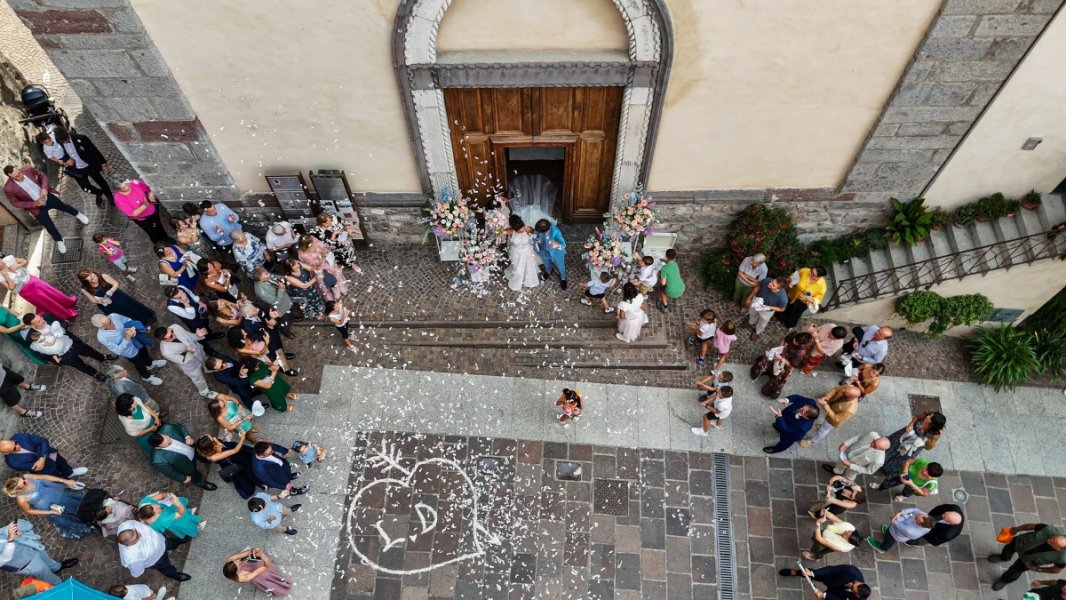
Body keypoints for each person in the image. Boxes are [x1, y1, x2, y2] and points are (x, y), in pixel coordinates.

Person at [2, 165, 90, 254]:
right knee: (49, 226)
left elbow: (42, 176)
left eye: (19, 173)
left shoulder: (28, 169)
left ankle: (78, 214)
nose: (20, 176)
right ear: (10, 177)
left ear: (18, 169)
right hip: (36, 208)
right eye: (16, 176)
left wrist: (44, 188)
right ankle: (59, 241)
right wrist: (33, 204)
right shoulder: (8, 188)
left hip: (47, 198)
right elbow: (15, 203)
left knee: (64, 207)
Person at [24, 313, 114, 382]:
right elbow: (40, 353)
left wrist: (61, 330)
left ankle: (102, 357)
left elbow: (63, 322)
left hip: (72, 342)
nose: (43, 320)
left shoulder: (47, 316)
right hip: (63, 355)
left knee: (89, 351)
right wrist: (56, 359)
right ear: (32, 326)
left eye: (40, 318)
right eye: (39, 321)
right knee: (79, 365)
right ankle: (95, 373)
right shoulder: (31, 337)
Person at [4, 473, 95, 539]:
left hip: (59, 494)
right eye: (23, 483)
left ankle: (92, 512)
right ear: (19, 490)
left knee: (78, 503)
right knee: (72, 513)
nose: (25, 480)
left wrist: (64, 480)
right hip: (52, 506)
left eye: (22, 479)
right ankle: (89, 521)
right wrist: (50, 512)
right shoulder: (21, 499)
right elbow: (29, 511)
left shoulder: (27, 477)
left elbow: (44, 476)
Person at [38, 127, 112, 206]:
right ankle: (99, 192)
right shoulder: (60, 141)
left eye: (66, 140)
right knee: (85, 188)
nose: (65, 142)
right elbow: (62, 153)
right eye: (63, 141)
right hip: (76, 168)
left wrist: (104, 164)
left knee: (101, 182)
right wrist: (67, 160)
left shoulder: (81, 138)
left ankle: (110, 196)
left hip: (89, 166)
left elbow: (94, 151)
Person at [92, 313, 165, 386]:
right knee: (139, 364)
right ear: (101, 327)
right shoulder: (102, 338)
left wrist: (132, 328)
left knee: (144, 352)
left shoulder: (113, 316)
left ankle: (150, 364)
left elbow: (128, 320)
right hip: (130, 352)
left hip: (136, 340)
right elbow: (118, 351)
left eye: (109, 320)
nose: (112, 323)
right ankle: (145, 376)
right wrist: (127, 338)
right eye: (108, 324)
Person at [0, 519, 78, 586]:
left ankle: (57, 567)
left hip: (27, 546)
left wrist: (13, 530)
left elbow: (2, 531)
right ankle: (59, 584)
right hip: (25, 563)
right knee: (44, 573)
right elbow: (6, 557)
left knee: (46, 559)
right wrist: (10, 539)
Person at [989, 523, 1066, 591]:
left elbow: (1056, 570)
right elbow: (1030, 526)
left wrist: (1038, 569)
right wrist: (1016, 529)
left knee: (1014, 572)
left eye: (1054, 543)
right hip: (1020, 543)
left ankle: (1004, 580)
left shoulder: (1062, 558)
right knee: (1007, 549)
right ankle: (1003, 557)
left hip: (1028, 562)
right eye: (1054, 538)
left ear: (1059, 549)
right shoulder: (1048, 529)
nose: (1051, 539)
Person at [0, 255, 78, 321]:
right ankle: (65, 314)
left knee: (51, 292)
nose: (1, 262)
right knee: (46, 301)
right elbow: (11, 288)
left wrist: (18, 266)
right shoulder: (1, 277)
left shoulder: (8, 258)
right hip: (26, 291)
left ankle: (67, 302)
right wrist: (7, 277)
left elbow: (25, 261)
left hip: (33, 280)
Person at [145, 424, 218, 490]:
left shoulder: (167, 428)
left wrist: (187, 437)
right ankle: (202, 483)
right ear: (158, 446)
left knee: (201, 455)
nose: (169, 441)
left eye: (167, 438)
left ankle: (206, 460)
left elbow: (180, 427)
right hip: (186, 466)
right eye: (166, 443)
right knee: (195, 476)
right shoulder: (157, 460)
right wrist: (183, 478)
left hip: (193, 449)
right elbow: (170, 472)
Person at [116, 520, 191, 581]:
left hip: (161, 539)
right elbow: (137, 573)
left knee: (171, 542)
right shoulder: (133, 558)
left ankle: (178, 542)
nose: (139, 533)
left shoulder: (124, 525)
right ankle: (175, 575)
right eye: (137, 536)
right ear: (131, 543)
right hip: (158, 558)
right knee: (166, 568)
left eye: (135, 531)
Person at [154, 324, 216, 398]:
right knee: (199, 380)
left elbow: (189, 336)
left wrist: (197, 335)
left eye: (171, 331)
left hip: (199, 352)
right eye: (171, 336)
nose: (174, 334)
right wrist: (189, 352)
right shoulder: (166, 351)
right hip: (191, 366)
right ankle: (204, 392)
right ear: (164, 340)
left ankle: (207, 369)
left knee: (205, 362)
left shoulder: (175, 327)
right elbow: (182, 360)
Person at [880, 411, 946, 477]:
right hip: (905, 435)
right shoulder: (924, 416)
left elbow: (928, 447)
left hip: (913, 447)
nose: (928, 417)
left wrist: (922, 441)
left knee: (900, 458)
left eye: (930, 418)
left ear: (933, 424)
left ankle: (887, 468)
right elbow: (916, 417)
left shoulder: (934, 433)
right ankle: (880, 458)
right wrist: (911, 424)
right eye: (930, 415)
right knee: (892, 446)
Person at [195, 430, 257, 499]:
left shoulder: (208, 447)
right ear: (212, 445)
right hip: (231, 461)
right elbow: (235, 450)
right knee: (244, 469)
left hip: (231, 455)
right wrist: (242, 437)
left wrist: (227, 433)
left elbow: (221, 438)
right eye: (212, 438)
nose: (214, 438)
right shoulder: (214, 457)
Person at [754, 330, 815, 399]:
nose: (793, 341)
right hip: (779, 356)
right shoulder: (794, 335)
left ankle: (769, 391)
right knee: (765, 362)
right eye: (794, 339)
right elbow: (785, 340)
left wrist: (781, 359)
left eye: (796, 342)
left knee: (777, 376)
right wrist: (780, 349)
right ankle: (762, 372)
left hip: (784, 365)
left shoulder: (801, 353)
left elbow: (791, 365)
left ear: (801, 344)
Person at [113, 180, 173, 244]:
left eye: (126, 184)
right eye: (123, 187)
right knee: (152, 231)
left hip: (152, 210)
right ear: (118, 190)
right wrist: (145, 204)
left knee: (158, 224)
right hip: (144, 219)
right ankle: (159, 244)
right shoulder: (118, 198)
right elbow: (132, 214)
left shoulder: (134, 183)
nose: (127, 187)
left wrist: (151, 194)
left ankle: (165, 237)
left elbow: (149, 188)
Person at [0, 434, 86, 478]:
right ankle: (66, 482)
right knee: (55, 475)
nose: (17, 446)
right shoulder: (12, 463)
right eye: (14, 448)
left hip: (49, 453)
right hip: (45, 468)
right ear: (7, 453)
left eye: (15, 443)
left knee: (62, 462)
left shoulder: (18, 436)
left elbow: (42, 440)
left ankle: (70, 473)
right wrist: (42, 454)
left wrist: (42, 457)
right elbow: (37, 467)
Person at [222, 546, 294, 596]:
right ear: (237, 571)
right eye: (239, 564)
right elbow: (266, 566)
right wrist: (262, 556)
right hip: (255, 575)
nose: (239, 560)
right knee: (264, 575)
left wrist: (254, 550)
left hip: (248, 565)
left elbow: (245, 553)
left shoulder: (230, 560)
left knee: (252, 560)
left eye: (237, 560)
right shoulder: (244, 577)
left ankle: (255, 560)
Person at [822, 432, 889, 481]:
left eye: (875, 446)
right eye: (874, 441)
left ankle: (843, 483)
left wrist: (850, 465)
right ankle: (836, 471)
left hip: (855, 467)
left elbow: (868, 471)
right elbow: (858, 437)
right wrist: (845, 444)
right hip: (848, 453)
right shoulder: (872, 434)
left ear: (882, 449)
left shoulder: (879, 460)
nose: (872, 444)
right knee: (840, 463)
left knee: (849, 478)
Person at [297, 234, 347, 301]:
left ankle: (341, 289)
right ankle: (334, 296)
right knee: (327, 283)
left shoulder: (312, 238)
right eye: (313, 244)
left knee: (337, 277)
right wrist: (322, 256)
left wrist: (326, 249)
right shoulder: (303, 254)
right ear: (307, 245)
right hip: (320, 271)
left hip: (329, 263)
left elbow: (324, 245)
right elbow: (316, 266)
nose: (315, 244)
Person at [777, 565, 870, 600]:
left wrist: (825, 596)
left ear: (857, 595)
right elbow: (831, 570)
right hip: (832, 579)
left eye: (852, 587)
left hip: (836, 594)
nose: (851, 583)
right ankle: (795, 572)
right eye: (855, 583)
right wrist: (813, 573)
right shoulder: (852, 571)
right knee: (810, 574)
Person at [136, 491, 203, 539]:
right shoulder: (162, 521)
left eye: (156, 506)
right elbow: (180, 513)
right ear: (153, 516)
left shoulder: (144, 502)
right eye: (158, 510)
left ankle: (189, 514)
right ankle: (196, 529)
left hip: (169, 513)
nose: (159, 507)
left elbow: (161, 495)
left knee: (181, 514)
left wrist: (164, 496)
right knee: (185, 524)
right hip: (173, 521)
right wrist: (178, 503)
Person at [872, 457, 943, 502]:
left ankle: (902, 496)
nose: (924, 472)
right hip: (901, 475)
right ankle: (881, 487)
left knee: (906, 492)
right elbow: (908, 461)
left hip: (912, 488)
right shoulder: (923, 462)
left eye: (928, 473)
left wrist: (911, 484)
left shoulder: (931, 483)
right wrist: (905, 472)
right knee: (888, 481)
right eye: (926, 469)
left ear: (933, 476)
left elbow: (924, 493)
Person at [867, 506, 934, 553]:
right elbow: (915, 510)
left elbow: (896, 522)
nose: (916, 515)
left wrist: (898, 515)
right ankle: (887, 532)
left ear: (920, 525)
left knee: (889, 541)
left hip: (896, 535)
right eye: (919, 515)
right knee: (889, 531)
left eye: (916, 518)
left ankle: (882, 548)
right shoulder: (925, 517)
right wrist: (901, 512)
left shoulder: (910, 531)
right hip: (898, 528)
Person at [253, 268, 296, 337]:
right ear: (260, 279)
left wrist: (283, 278)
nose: (268, 275)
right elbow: (275, 302)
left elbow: (274, 276)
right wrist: (281, 290)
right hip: (280, 306)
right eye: (266, 275)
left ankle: (292, 318)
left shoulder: (265, 275)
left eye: (267, 273)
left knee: (290, 310)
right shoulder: (262, 292)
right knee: (285, 317)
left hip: (285, 298)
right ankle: (285, 330)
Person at [744, 276, 788, 340]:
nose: (770, 284)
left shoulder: (783, 298)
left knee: (762, 322)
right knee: (752, 313)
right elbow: (757, 288)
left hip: (767, 311)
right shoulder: (767, 280)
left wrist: (768, 307)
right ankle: (750, 322)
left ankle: (757, 332)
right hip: (756, 302)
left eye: (773, 285)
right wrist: (749, 298)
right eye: (772, 281)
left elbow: (782, 309)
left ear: (778, 289)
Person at [533, 218, 567, 290]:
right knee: (546, 263)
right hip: (544, 250)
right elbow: (535, 234)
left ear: (545, 231)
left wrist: (557, 245)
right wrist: (538, 240)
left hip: (556, 252)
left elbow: (563, 244)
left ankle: (563, 277)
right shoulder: (539, 227)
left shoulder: (556, 232)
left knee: (560, 265)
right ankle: (549, 271)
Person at [107, 583, 171, 600]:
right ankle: (158, 597)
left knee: (155, 596)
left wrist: (151, 597)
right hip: (146, 593)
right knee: (155, 596)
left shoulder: (128, 596)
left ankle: (158, 598)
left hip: (146, 594)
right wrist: (152, 597)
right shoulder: (125, 588)